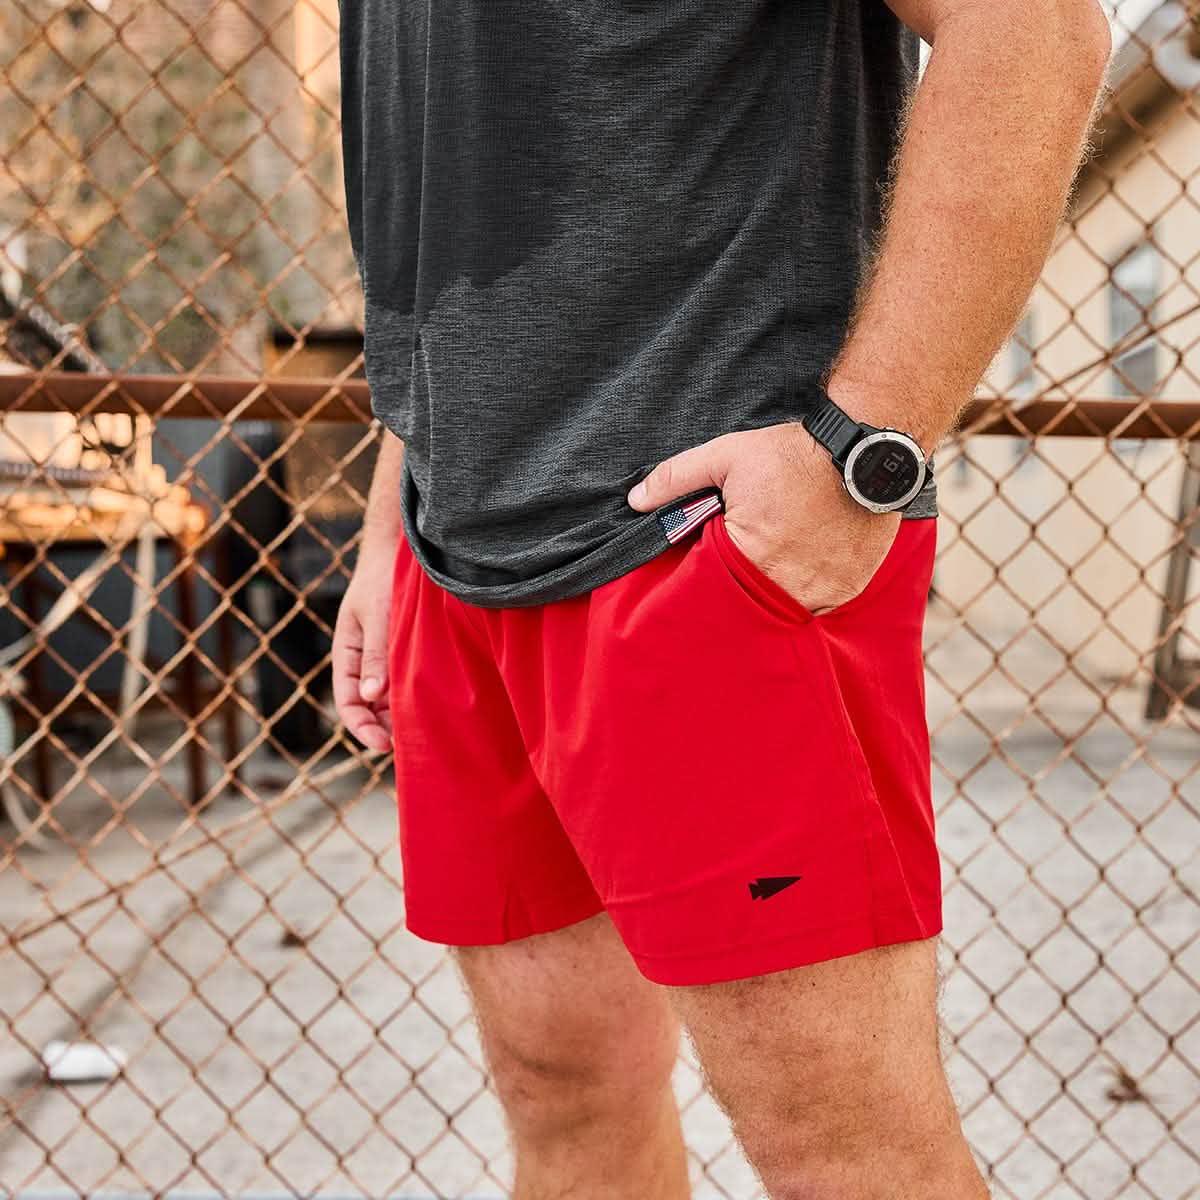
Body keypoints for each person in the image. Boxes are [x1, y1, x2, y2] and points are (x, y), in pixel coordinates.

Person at [332, 1, 1110, 1195]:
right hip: (457, 554)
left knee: (843, 1153)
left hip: (696, 539)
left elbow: (1034, 28)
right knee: (563, 1096)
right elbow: (459, 185)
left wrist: (863, 449)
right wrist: (394, 519)